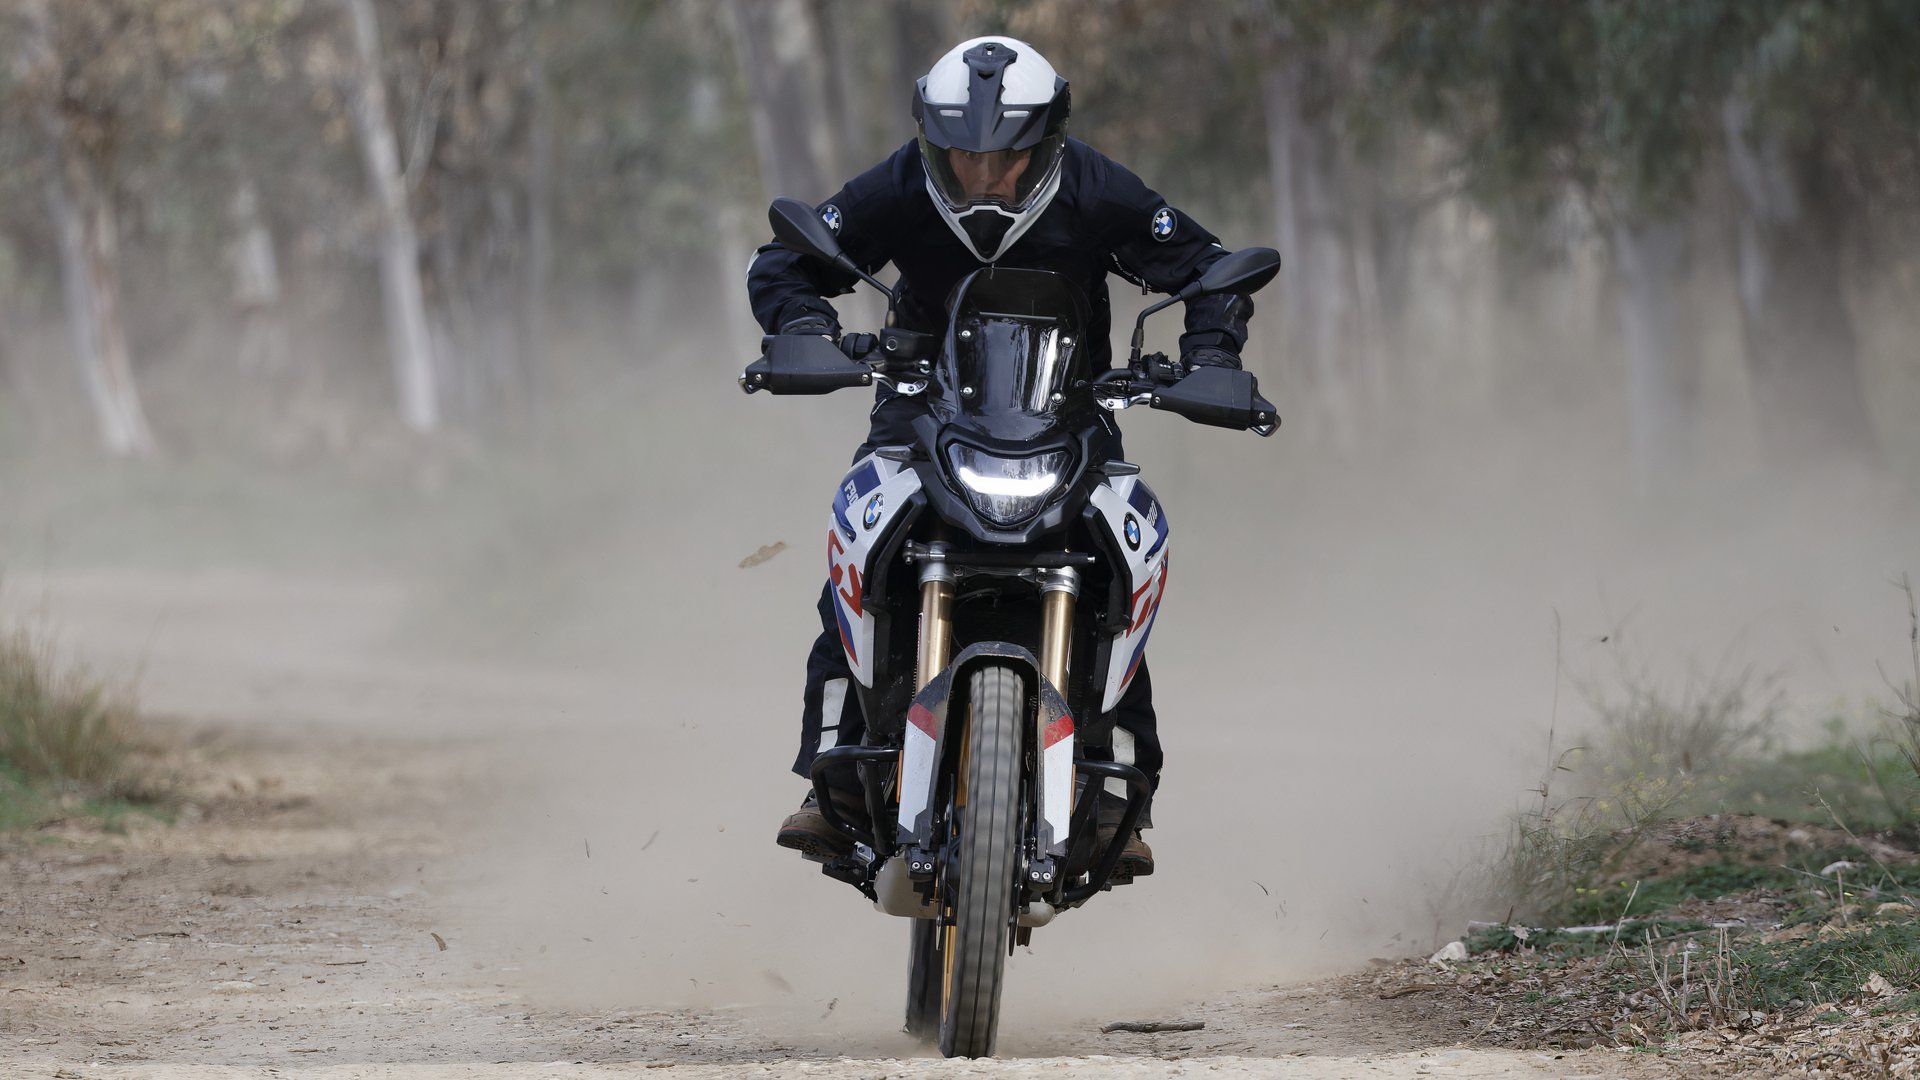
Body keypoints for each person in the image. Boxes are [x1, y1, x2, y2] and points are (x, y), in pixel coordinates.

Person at [748, 35, 1261, 879]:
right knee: (858, 547)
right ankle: (833, 777)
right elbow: (789, 261)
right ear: (933, 141)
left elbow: (1208, 269)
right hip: (919, 409)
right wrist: (804, 331)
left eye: (1004, 157)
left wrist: (1213, 356)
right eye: (961, 154)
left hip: (1070, 413)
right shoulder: (905, 182)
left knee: (1118, 567)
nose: (981, 173)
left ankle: (1119, 787)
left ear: (1045, 145)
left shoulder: (1095, 185)